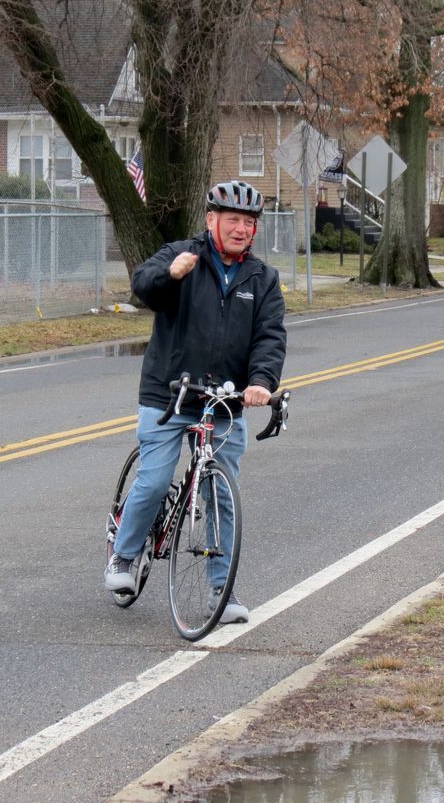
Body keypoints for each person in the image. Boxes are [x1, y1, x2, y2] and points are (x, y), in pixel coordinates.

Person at [105, 180, 287, 623]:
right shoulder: (182, 254)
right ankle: (123, 558)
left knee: (221, 493)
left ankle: (221, 590)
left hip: (223, 400)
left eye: (249, 222)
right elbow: (142, 287)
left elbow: (269, 337)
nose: (242, 229)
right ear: (211, 221)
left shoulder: (262, 278)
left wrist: (261, 381)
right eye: (233, 221)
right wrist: (171, 275)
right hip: (170, 391)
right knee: (153, 480)